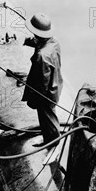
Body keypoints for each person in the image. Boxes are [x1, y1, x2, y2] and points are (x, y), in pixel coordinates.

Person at [22, 13, 63, 159]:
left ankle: (54, 144)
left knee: (47, 117)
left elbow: (42, 82)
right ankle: (48, 138)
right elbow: (43, 43)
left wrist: (35, 99)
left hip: (46, 92)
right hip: (56, 83)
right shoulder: (54, 42)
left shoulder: (42, 56)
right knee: (47, 116)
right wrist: (29, 41)